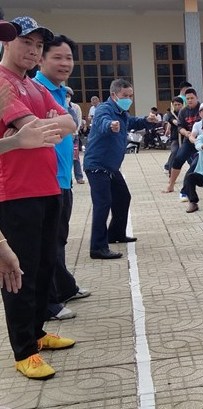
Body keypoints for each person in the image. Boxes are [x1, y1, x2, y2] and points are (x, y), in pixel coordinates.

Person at [0, 15, 79, 380]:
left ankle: (38, 333)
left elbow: (70, 124)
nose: (32, 50)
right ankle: (23, 349)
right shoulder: (2, 82)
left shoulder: (32, 85)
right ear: (7, 42)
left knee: (46, 265)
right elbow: (29, 129)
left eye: (37, 45)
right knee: (20, 273)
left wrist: (52, 122)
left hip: (48, 187)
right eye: (25, 42)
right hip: (16, 193)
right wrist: (47, 122)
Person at [33, 34, 91, 321]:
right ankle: (50, 303)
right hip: (45, 180)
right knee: (49, 243)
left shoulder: (59, 92)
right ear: (41, 59)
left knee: (59, 238)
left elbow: (69, 126)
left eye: (69, 57)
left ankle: (64, 287)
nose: (65, 63)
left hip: (62, 178)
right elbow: (54, 128)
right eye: (57, 57)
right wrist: (63, 123)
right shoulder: (35, 89)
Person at [84, 78, 158, 259]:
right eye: (125, 96)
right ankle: (97, 247)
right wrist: (110, 125)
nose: (129, 99)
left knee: (123, 197)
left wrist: (147, 120)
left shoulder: (122, 112)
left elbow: (132, 122)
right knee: (103, 204)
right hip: (97, 166)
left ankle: (115, 234)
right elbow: (101, 122)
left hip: (110, 167)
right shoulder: (105, 109)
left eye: (131, 96)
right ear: (114, 95)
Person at [163, 87, 200, 195]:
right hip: (188, 140)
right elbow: (180, 127)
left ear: (196, 98)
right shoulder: (183, 111)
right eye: (187, 99)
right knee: (178, 159)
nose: (190, 100)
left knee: (194, 165)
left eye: (192, 98)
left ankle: (186, 190)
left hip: (201, 141)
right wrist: (186, 133)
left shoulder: (201, 108)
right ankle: (171, 185)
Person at [65, 87, 85, 184]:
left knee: (75, 157)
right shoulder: (59, 105)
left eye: (68, 96)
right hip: (63, 136)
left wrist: (74, 132)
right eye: (65, 96)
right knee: (65, 157)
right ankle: (67, 178)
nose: (66, 98)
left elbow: (78, 120)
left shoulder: (75, 107)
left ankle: (79, 176)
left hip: (74, 135)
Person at [163, 96, 183, 174]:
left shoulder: (185, 112)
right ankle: (170, 170)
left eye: (179, 104)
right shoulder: (171, 113)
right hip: (175, 137)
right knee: (174, 152)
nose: (177, 106)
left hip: (186, 138)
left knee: (190, 155)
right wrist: (168, 129)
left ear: (182, 104)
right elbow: (171, 120)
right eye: (175, 105)